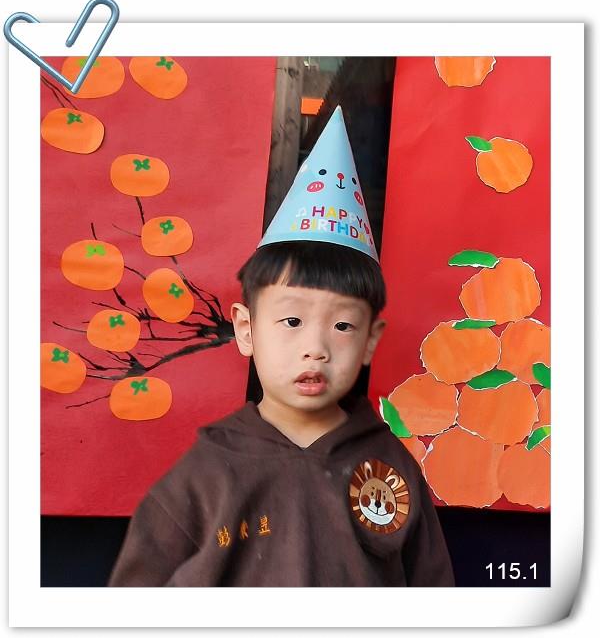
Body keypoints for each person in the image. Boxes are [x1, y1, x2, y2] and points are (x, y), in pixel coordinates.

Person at [108, 107, 454, 587]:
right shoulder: (205, 475)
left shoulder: (392, 467)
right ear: (246, 329)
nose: (315, 348)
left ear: (370, 340)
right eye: (292, 321)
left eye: (343, 326)